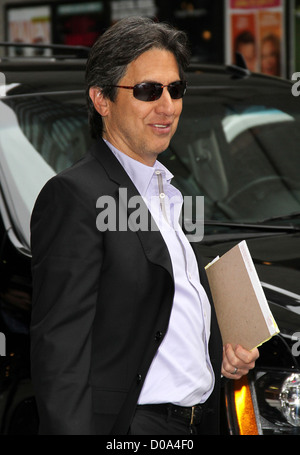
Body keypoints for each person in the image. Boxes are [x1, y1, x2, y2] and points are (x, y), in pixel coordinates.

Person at [30, 16, 259, 435]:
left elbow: (164, 317)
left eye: (175, 89)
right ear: (101, 99)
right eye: (147, 90)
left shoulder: (171, 194)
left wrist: (219, 353)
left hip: (197, 422)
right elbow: (59, 353)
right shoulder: (75, 195)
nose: (167, 106)